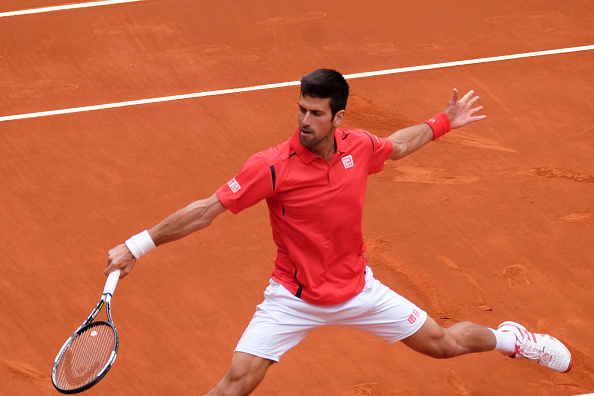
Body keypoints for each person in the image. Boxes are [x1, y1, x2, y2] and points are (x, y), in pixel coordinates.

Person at [106, 69, 572, 395]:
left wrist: (444, 120)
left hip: (357, 290)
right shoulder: (270, 167)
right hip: (293, 297)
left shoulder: (359, 148)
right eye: (301, 111)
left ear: (339, 118)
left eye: (315, 114)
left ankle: (514, 341)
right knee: (235, 384)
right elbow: (205, 211)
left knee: (445, 345)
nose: (304, 122)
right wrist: (136, 245)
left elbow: (400, 145)